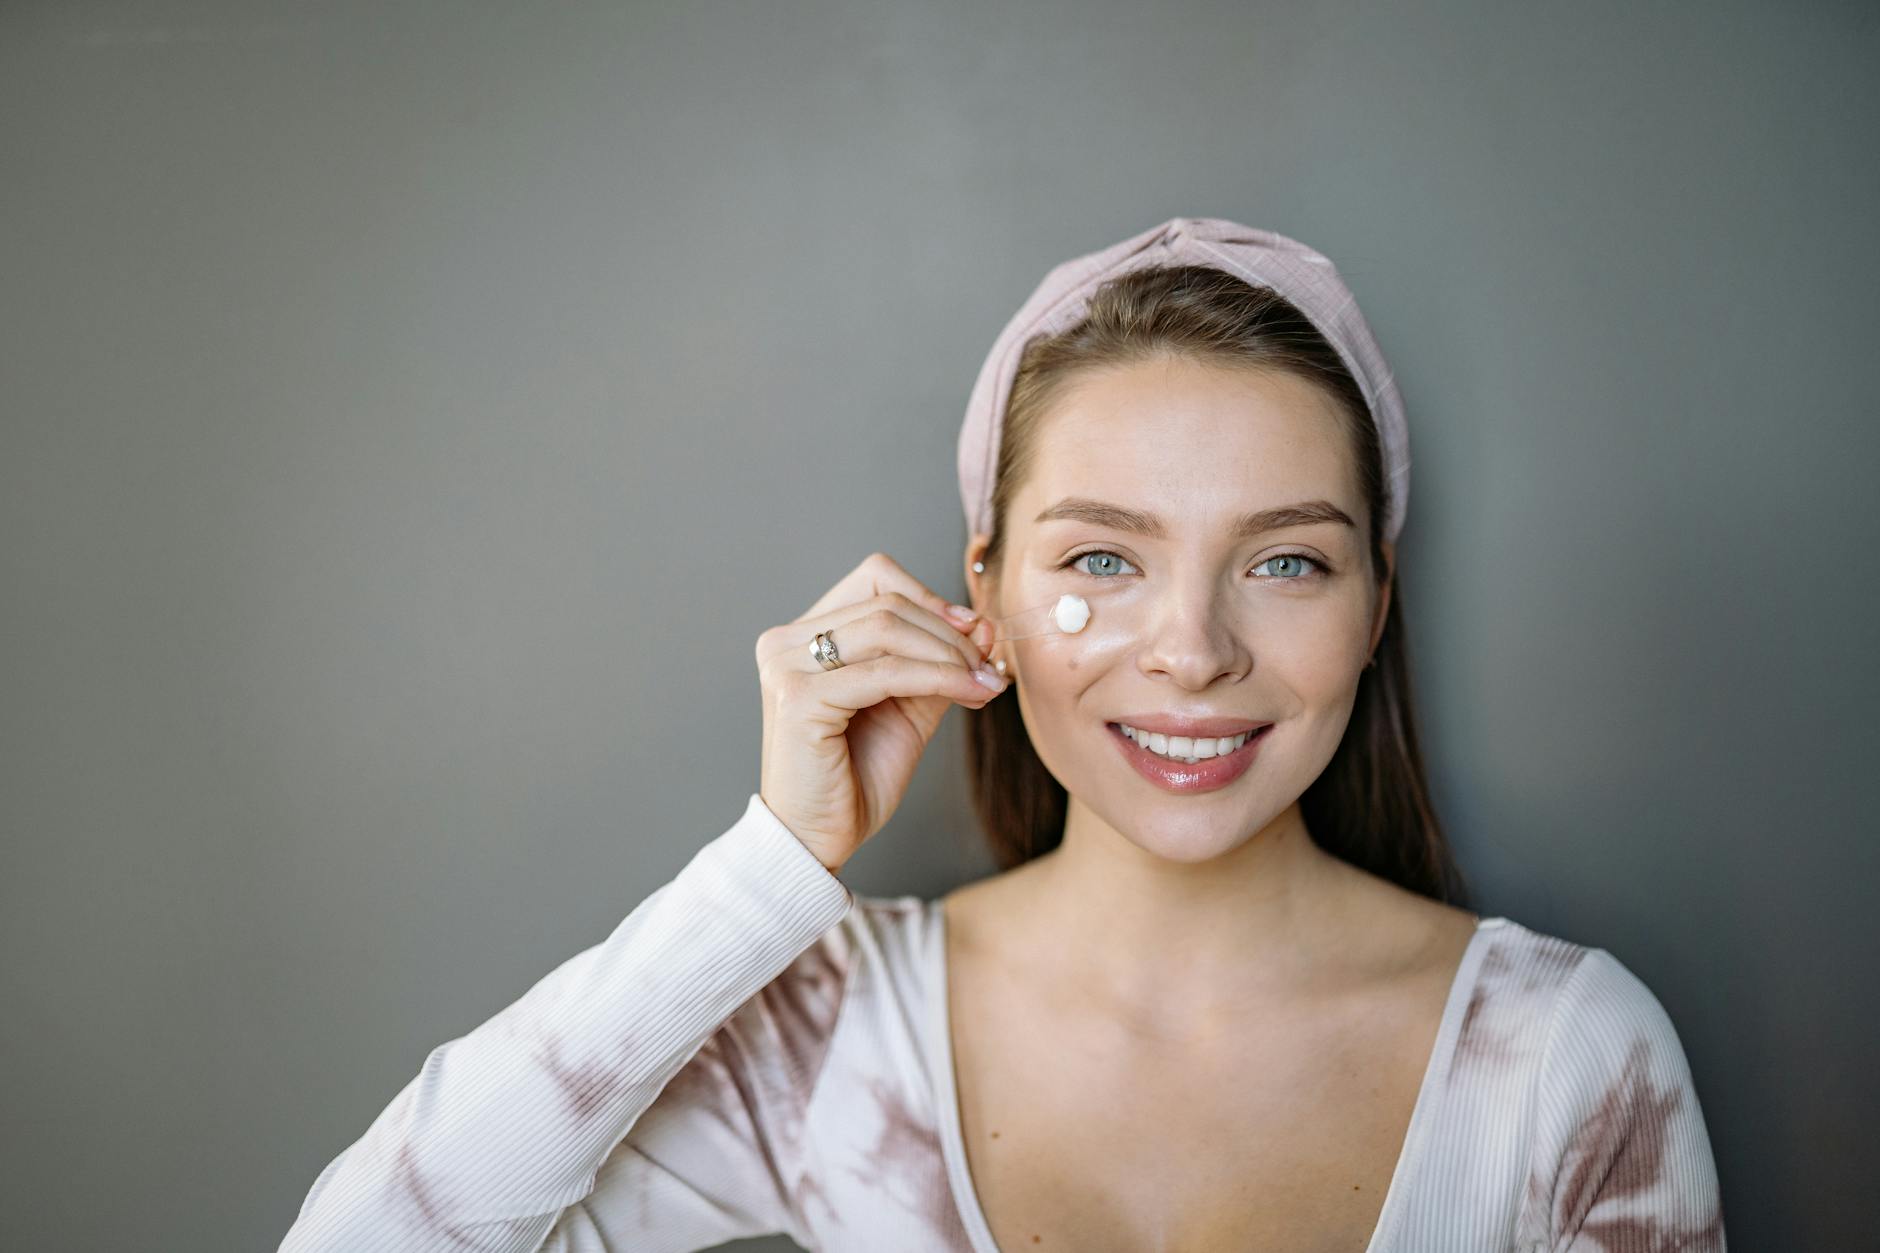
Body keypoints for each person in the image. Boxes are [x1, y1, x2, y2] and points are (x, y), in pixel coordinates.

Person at [278, 218, 1726, 1252]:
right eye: (1102, 558)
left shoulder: (1564, 1064)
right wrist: (770, 865)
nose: (1194, 649)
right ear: (986, 594)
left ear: (1372, 605)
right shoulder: (839, 1027)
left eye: (1287, 560)